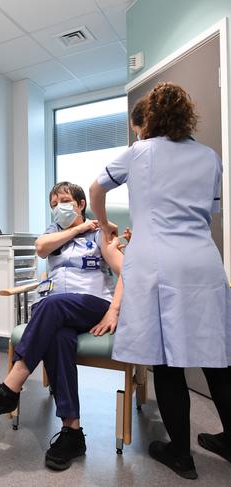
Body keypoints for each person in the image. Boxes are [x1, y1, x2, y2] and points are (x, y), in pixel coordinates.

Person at [90, 82, 231, 480]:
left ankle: (181, 455)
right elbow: (208, 213)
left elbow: (96, 186)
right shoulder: (209, 157)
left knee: (168, 364)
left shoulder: (140, 152)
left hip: (159, 266)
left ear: (148, 118)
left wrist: (103, 225)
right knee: (219, 363)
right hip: (204, 263)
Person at [0, 182, 124, 471]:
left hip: (92, 306)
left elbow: (124, 269)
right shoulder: (54, 234)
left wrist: (114, 310)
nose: (58, 207)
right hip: (56, 313)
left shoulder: (101, 233)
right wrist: (77, 229)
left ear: (80, 204)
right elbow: (40, 248)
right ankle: (72, 431)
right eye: (53, 203)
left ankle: (10, 387)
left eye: (64, 200)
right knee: (59, 338)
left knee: (52, 306)